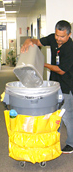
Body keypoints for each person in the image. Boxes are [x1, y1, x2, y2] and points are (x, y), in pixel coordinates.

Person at [21, 20, 73, 154]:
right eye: (57, 35)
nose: (58, 39)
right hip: (54, 84)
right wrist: (29, 41)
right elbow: (38, 42)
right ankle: (54, 140)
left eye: (62, 37)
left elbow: (61, 70)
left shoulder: (70, 48)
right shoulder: (53, 39)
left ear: (69, 35)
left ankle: (71, 144)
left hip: (67, 85)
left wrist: (42, 64)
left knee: (67, 116)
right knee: (54, 114)